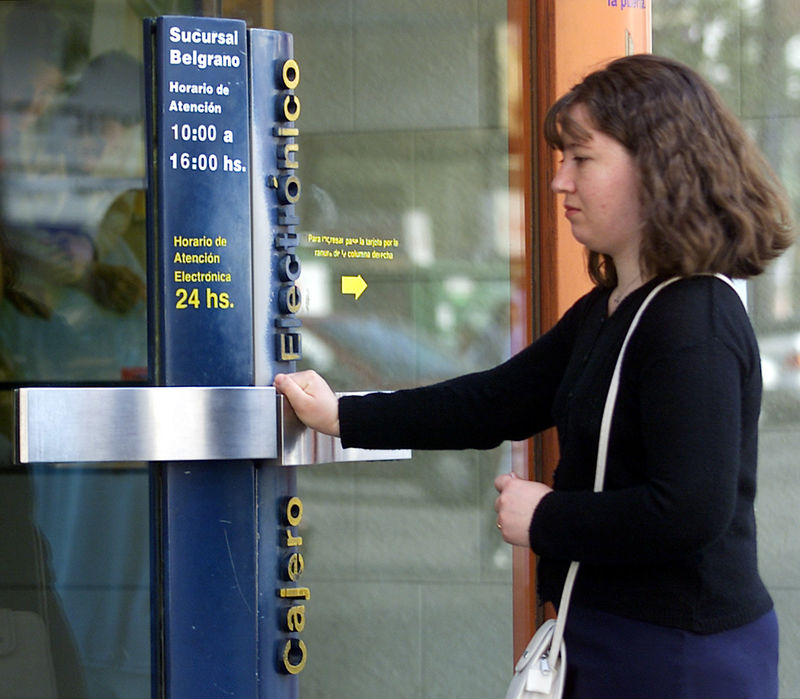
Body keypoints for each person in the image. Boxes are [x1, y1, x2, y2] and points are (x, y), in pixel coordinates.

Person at [275, 54, 794, 698]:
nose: (558, 183)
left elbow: (690, 510)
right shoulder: (613, 307)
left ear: (657, 166)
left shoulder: (695, 318)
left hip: (677, 657)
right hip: (620, 642)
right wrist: (344, 416)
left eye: (581, 159)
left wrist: (546, 517)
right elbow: (496, 401)